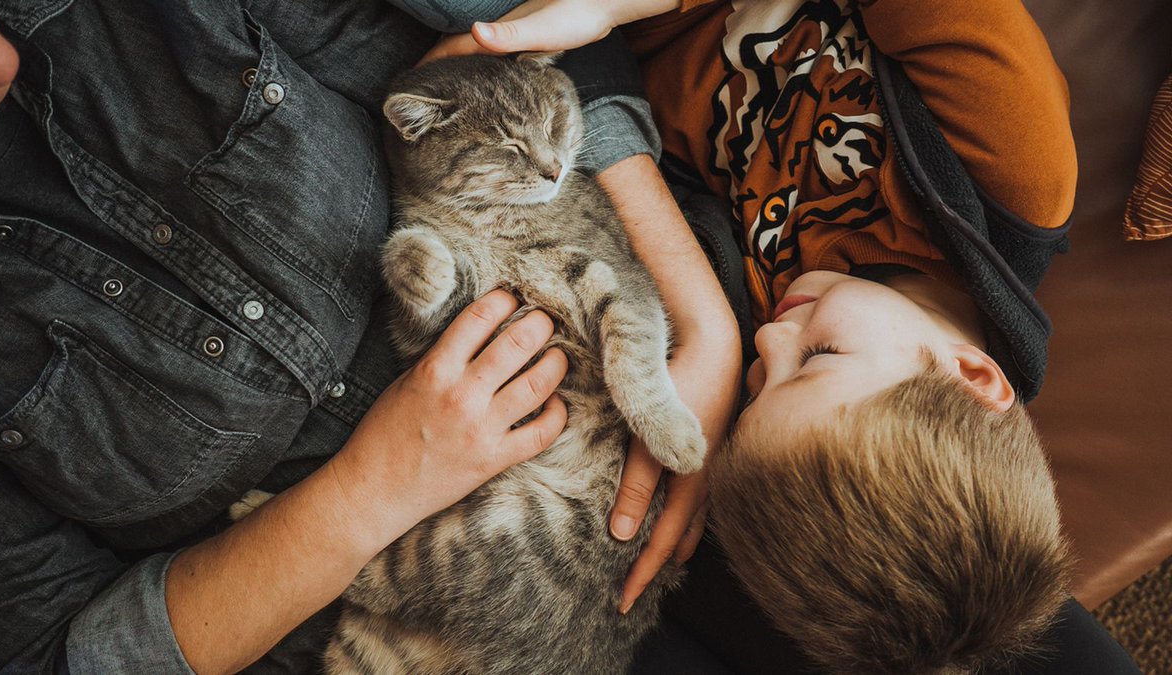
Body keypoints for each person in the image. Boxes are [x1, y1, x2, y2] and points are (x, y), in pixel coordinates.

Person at [0, 0, 742, 671]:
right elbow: (60, 658)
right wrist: (363, 497)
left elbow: (533, 29)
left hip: (636, 449)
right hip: (387, 618)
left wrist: (705, 327)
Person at [438, 0, 1143, 672]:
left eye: (755, 385)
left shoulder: (775, 311)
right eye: (816, 358)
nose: (771, 341)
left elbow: (596, 129)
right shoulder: (1012, 162)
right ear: (974, 375)